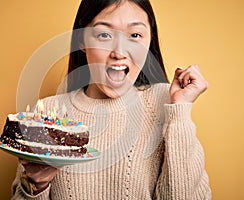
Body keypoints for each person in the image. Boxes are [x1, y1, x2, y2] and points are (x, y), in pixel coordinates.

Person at [12, 0, 212, 199]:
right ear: (81, 40)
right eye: (104, 35)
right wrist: (36, 186)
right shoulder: (47, 112)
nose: (119, 53)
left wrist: (180, 111)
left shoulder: (165, 102)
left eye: (135, 35)